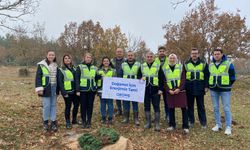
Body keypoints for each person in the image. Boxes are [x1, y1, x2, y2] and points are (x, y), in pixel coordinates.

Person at [209, 48, 236, 135]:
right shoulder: (211, 65)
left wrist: (228, 84)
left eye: (218, 54)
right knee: (216, 108)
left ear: (222, 54)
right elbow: (209, 75)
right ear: (213, 55)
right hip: (214, 89)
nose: (216, 55)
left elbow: (232, 76)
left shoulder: (228, 64)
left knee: (226, 108)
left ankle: (228, 127)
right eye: (215, 54)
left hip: (225, 90)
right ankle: (218, 125)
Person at [163, 53, 189, 134]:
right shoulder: (164, 69)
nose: (172, 59)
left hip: (180, 91)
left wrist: (179, 88)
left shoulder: (181, 67)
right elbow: (163, 81)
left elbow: (183, 79)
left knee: (184, 109)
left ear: (176, 59)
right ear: (168, 59)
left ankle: (185, 126)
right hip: (170, 92)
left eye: (173, 58)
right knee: (171, 109)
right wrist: (168, 90)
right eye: (170, 58)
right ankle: (172, 125)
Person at [35, 50, 59, 132]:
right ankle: (45, 122)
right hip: (46, 88)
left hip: (54, 88)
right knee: (46, 106)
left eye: (53, 55)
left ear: (54, 56)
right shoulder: (41, 65)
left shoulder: (56, 65)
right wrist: (39, 89)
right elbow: (38, 77)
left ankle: (53, 122)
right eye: (50, 55)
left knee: (53, 105)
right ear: (47, 55)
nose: (51, 56)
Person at [184, 48, 208, 129]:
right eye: (193, 53)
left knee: (201, 106)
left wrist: (206, 86)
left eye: (196, 53)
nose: (194, 55)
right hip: (189, 87)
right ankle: (191, 121)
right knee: (190, 106)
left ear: (198, 54)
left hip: (200, 87)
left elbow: (207, 75)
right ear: (191, 54)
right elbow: (183, 76)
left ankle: (203, 123)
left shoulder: (203, 63)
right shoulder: (186, 63)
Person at [141, 51, 164, 131]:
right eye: (148, 57)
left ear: (153, 57)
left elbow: (162, 78)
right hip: (145, 90)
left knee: (156, 107)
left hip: (155, 90)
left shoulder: (158, 65)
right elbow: (138, 77)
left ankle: (157, 124)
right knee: (147, 107)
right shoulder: (142, 66)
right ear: (145, 57)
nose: (149, 58)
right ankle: (148, 123)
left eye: (151, 56)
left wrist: (161, 89)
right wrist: (140, 79)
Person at [76, 53, 98, 128]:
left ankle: (89, 121)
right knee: (83, 106)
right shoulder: (80, 67)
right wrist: (77, 90)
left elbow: (96, 78)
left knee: (90, 106)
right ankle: (83, 121)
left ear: (91, 59)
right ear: (84, 58)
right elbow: (77, 79)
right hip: (83, 90)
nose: (88, 59)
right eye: (87, 57)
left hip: (92, 90)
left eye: (90, 57)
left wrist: (101, 77)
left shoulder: (94, 68)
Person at [58, 54, 79, 129]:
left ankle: (74, 120)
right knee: (68, 106)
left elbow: (77, 79)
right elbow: (60, 82)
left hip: (75, 91)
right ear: (63, 60)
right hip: (67, 92)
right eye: (65, 58)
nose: (67, 59)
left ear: (71, 60)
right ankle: (67, 122)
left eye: (68, 58)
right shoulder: (61, 69)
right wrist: (64, 93)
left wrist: (78, 90)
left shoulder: (75, 68)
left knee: (76, 106)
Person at [121, 51, 141, 126]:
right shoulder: (123, 64)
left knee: (135, 102)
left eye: (131, 55)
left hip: (135, 87)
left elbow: (140, 75)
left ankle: (136, 119)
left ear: (134, 56)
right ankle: (126, 118)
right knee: (126, 102)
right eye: (129, 55)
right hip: (125, 87)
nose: (130, 56)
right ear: (127, 56)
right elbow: (120, 75)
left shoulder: (138, 64)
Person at [97, 56, 116, 124]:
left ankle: (110, 118)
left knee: (110, 104)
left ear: (109, 62)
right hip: (101, 89)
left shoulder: (113, 70)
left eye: (107, 61)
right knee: (103, 104)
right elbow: (96, 79)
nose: (106, 62)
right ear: (102, 62)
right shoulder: (99, 70)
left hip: (110, 90)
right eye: (104, 61)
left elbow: (115, 80)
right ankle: (103, 117)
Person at [155, 46, 169, 122]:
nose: (161, 53)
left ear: (165, 52)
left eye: (163, 51)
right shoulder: (155, 60)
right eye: (160, 51)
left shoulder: (169, 59)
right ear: (158, 52)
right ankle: (157, 116)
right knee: (156, 102)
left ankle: (167, 115)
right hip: (157, 84)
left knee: (167, 101)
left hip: (167, 83)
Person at [111, 48, 126, 116]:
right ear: (115, 53)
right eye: (118, 52)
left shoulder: (126, 61)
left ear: (123, 53)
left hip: (124, 81)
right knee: (117, 97)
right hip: (115, 81)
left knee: (125, 97)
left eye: (120, 52)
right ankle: (119, 110)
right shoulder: (111, 61)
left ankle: (126, 110)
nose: (119, 53)